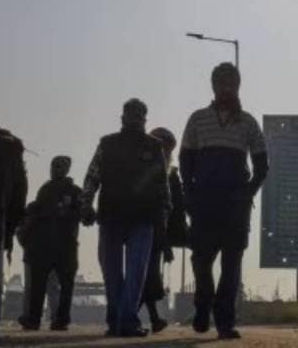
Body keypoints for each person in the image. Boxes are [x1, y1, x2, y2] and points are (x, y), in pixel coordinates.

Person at [180, 62, 269, 340]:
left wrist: (248, 193)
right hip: (204, 202)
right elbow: (185, 160)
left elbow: (262, 165)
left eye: (231, 83)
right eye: (221, 83)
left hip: (235, 205)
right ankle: (202, 304)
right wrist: (190, 192)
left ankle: (225, 322)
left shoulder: (249, 123)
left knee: (232, 265)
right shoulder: (197, 119)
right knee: (201, 259)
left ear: (238, 86)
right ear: (213, 86)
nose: (225, 88)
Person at [80, 99, 171, 338]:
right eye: (131, 115)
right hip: (111, 216)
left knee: (135, 272)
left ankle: (126, 321)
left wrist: (163, 216)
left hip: (142, 218)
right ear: (122, 117)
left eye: (139, 115)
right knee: (112, 273)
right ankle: (117, 319)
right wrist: (86, 205)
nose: (135, 119)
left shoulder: (154, 147)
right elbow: (92, 177)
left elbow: (162, 185)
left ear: (144, 119)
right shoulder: (107, 144)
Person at [16, 155, 83, 331]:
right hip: (44, 246)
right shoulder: (45, 189)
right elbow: (35, 211)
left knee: (65, 286)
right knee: (39, 284)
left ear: (67, 169)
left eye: (59, 166)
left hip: (66, 245)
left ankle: (60, 320)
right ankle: (34, 319)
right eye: (53, 165)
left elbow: (83, 215)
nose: (55, 169)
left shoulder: (75, 192)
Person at [141, 126, 189, 333]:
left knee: (148, 275)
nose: (165, 154)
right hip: (141, 228)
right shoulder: (139, 170)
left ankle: (149, 317)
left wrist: (173, 239)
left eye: (168, 151)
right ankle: (146, 317)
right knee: (146, 275)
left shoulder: (172, 176)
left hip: (160, 233)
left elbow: (177, 210)